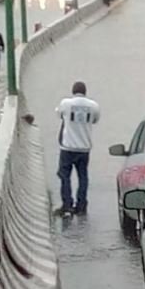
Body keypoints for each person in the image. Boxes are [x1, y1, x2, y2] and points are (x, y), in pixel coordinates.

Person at [55, 82, 100, 217]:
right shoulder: (93, 106)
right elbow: (95, 120)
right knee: (83, 177)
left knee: (65, 176)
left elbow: (59, 114)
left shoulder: (66, 103)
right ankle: (81, 206)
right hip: (84, 148)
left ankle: (67, 205)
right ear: (85, 92)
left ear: (73, 91)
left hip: (67, 147)